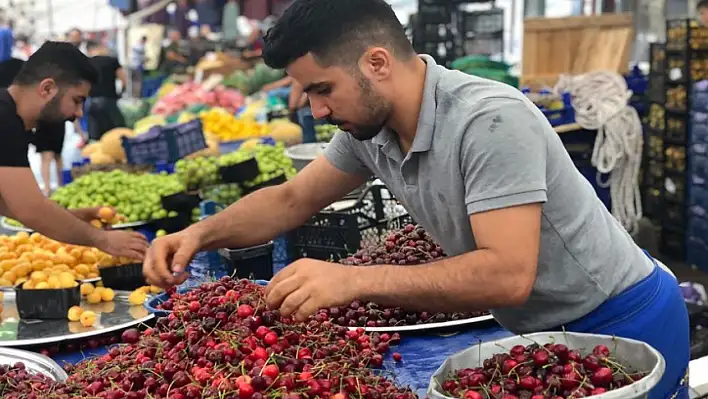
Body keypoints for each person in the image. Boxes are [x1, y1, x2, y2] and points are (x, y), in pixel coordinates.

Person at [142, 1, 690, 398]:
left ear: (377, 63)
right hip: (537, 333)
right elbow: (290, 201)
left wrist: (353, 280)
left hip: (623, 324)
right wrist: (198, 235)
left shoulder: (488, 120)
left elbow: (507, 276)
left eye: (321, 89)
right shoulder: (371, 131)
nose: (315, 111)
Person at [0, 41, 148, 259]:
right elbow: (31, 209)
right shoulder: (5, 120)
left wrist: (71, 218)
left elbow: (9, 203)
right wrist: (102, 239)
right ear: (47, 89)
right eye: (77, 100)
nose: (79, 113)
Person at [85, 40, 127, 141]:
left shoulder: (86, 63)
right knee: (119, 133)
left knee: (95, 136)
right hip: (109, 101)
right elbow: (124, 80)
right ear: (101, 47)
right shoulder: (112, 60)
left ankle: (97, 155)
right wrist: (121, 92)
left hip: (91, 102)